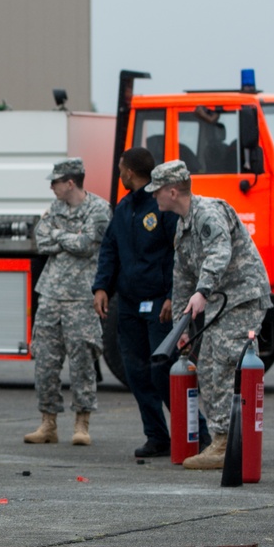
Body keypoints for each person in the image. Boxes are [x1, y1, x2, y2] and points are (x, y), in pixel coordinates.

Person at [148, 160, 271, 470]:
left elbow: (219, 253)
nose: (154, 197)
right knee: (208, 361)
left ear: (172, 191)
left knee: (221, 360)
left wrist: (203, 291)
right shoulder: (184, 223)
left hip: (242, 297)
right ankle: (224, 438)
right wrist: (182, 327)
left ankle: (225, 442)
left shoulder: (208, 214)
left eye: (157, 191)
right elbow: (182, 279)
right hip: (222, 301)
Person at [93, 146, 178, 457]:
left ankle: (197, 434)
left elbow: (177, 254)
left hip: (159, 304)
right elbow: (110, 250)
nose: (119, 173)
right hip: (128, 304)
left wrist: (172, 295)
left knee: (163, 373)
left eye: (120, 168)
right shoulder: (124, 207)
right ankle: (157, 437)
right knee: (137, 373)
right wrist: (101, 287)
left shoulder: (161, 207)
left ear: (130, 171)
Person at [25, 157, 111, 446]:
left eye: (56, 181)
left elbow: (88, 245)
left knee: (82, 361)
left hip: (81, 297)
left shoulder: (99, 209)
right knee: (45, 362)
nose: (52, 186)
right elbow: (41, 242)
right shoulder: (54, 209)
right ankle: (48, 423)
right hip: (50, 295)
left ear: (70, 182)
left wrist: (59, 237)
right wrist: (68, 238)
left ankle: (81, 424)